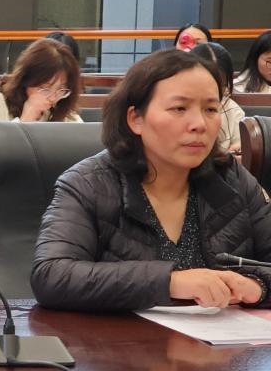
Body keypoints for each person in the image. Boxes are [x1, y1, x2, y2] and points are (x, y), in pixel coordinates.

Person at [32, 49, 271, 313]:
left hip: (225, 338)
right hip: (123, 337)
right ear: (136, 119)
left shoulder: (231, 177)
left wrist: (260, 286)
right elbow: (51, 276)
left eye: (211, 109)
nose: (200, 124)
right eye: (179, 108)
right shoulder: (88, 183)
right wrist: (171, 282)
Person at [0, 37, 82, 168]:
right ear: (26, 80)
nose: (53, 97)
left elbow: (86, 150)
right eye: (45, 89)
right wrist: (24, 121)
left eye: (61, 90)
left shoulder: (61, 107)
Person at [191, 42, 244, 154]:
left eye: (220, 85)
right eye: (204, 83)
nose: (213, 91)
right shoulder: (175, 106)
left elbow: (241, 147)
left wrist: (238, 150)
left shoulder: (232, 110)